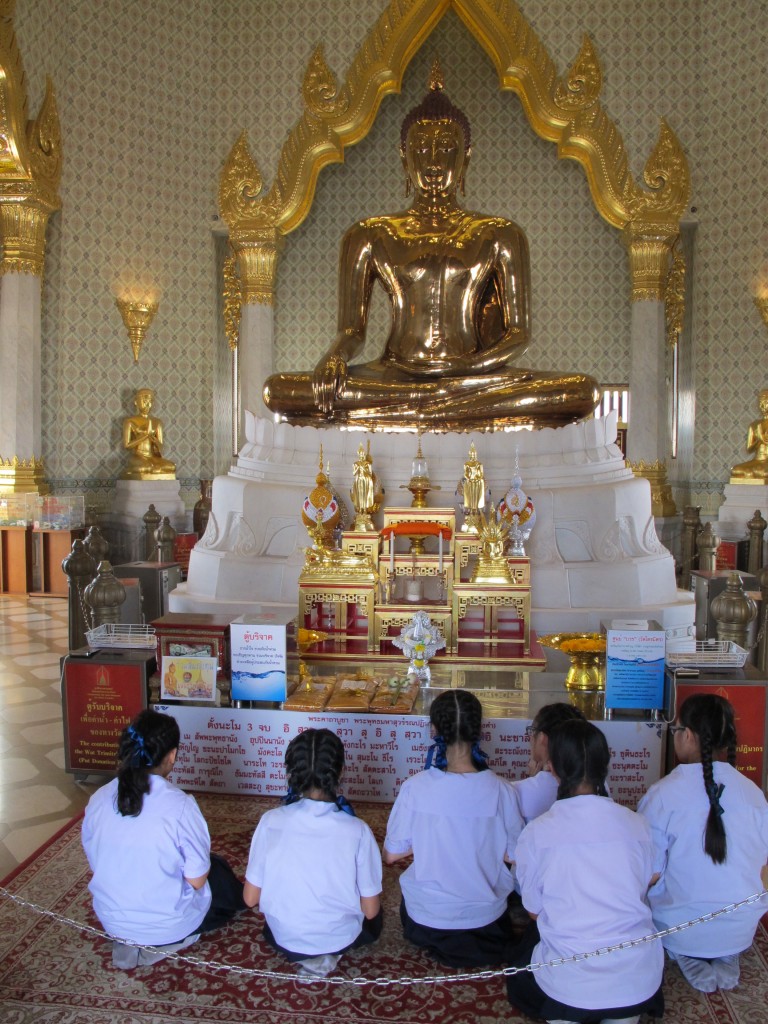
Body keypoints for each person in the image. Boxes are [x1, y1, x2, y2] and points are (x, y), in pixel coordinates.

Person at [263, 62, 599, 431]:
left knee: (580, 391)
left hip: (472, 378)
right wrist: (333, 358)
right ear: (403, 156)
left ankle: (423, 410)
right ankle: (433, 410)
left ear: (466, 155)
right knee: (279, 391)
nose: (434, 161)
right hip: (394, 375)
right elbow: (352, 332)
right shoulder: (370, 234)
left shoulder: (500, 233)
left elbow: (519, 335)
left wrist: (463, 370)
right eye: (422, 148)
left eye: (446, 148)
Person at [507, 720, 664, 1024]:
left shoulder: (538, 832)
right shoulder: (637, 823)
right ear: (606, 764)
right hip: (635, 981)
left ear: (551, 768)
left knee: (521, 964)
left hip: (568, 986)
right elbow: (649, 881)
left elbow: (535, 912)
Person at [81, 709, 246, 969]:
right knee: (219, 873)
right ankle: (169, 940)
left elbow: (95, 859)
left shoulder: (98, 799)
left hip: (113, 920)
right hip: (168, 925)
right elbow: (196, 879)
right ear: (172, 755)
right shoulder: (180, 805)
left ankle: (135, 939)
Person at [637, 694, 768, 993]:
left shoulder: (662, 794)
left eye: (677, 730)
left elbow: (648, 871)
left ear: (690, 736)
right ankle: (726, 949)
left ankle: (682, 950)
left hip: (677, 927)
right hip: (741, 927)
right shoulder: (753, 793)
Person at [383, 689, 523, 967]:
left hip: (426, 920)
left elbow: (391, 855)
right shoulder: (503, 791)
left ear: (434, 729)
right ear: (479, 730)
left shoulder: (415, 787)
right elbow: (514, 854)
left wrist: (428, 837)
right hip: (486, 921)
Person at [243, 728, 382, 978]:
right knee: (375, 920)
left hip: (284, 937)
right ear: (339, 772)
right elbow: (370, 910)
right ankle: (327, 951)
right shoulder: (358, 830)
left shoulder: (270, 821)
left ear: (292, 773)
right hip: (339, 938)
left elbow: (250, 898)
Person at [514, 702, 586, 824]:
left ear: (542, 738)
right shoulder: (597, 784)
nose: (530, 738)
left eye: (532, 731)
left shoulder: (516, 792)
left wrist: (531, 780)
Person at [120, 387, 176, 480]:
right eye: (144, 400)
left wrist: (154, 440)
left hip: (153, 457)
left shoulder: (157, 422)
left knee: (171, 467)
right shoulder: (130, 421)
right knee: (145, 468)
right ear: (136, 402)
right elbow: (127, 446)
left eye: (150, 401)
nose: (147, 404)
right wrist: (145, 436)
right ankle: (147, 467)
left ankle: (153, 467)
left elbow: (161, 446)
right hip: (138, 456)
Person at [730, 389, 768, 482]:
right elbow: (749, 449)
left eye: (766, 402)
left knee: (763, 472)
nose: (762, 406)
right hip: (757, 460)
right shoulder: (754, 425)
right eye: (760, 403)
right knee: (735, 469)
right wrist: (758, 439)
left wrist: (763, 438)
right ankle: (752, 472)